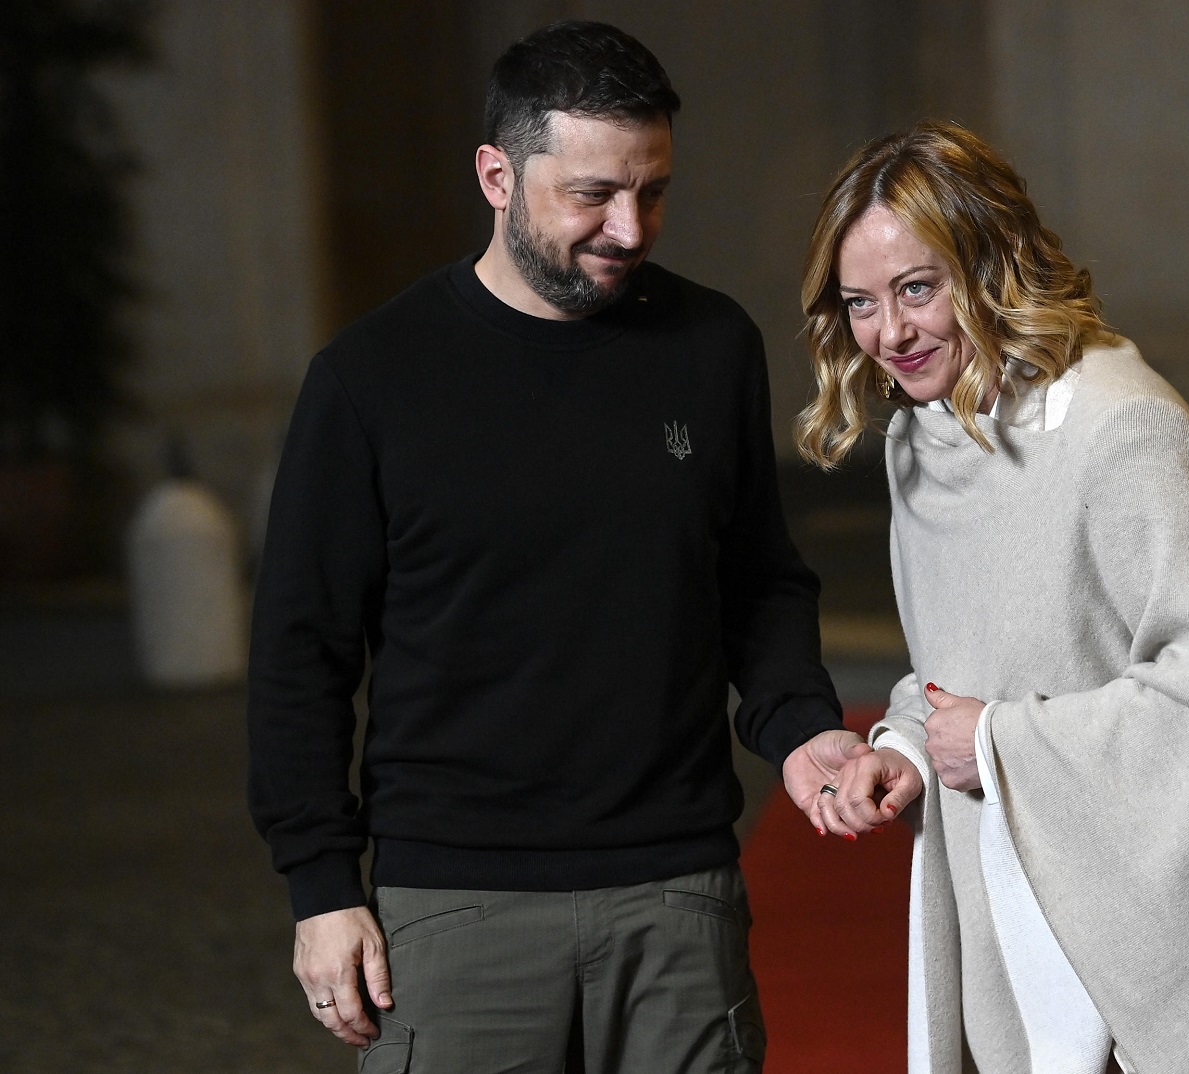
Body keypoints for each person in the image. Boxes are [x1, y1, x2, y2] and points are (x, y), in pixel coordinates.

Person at [248, 20, 862, 1073]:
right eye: (592, 194)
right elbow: (301, 652)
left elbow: (757, 582)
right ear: (497, 173)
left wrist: (801, 727)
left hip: (678, 893)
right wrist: (321, 888)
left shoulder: (711, 348)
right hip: (454, 905)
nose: (630, 227)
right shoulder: (370, 379)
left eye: (654, 190)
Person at [794, 121, 1189, 1073]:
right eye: (859, 303)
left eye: (916, 289)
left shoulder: (1121, 425)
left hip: (1125, 921)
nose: (888, 333)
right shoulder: (920, 441)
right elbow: (967, 666)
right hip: (1002, 897)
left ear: (990, 262)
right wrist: (904, 747)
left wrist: (997, 742)